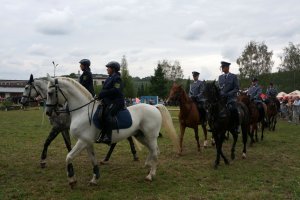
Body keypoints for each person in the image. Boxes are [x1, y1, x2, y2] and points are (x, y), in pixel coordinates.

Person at [97, 61, 125, 144]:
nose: (107, 69)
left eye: (108, 68)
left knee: (108, 114)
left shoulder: (117, 78)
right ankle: (102, 133)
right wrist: (100, 95)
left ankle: (108, 137)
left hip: (117, 101)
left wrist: (104, 93)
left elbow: (116, 90)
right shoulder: (109, 78)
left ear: (113, 69)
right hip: (108, 101)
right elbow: (105, 89)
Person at [218, 61, 240, 133]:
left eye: (223, 67)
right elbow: (219, 88)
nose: (222, 68)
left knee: (234, 109)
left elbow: (236, 88)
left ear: (227, 67)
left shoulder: (233, 76)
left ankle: (236, 126)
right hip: (222, 99)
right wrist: (220, 93)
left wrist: (228, 94)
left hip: (231, 98)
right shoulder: (220, 77)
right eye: (222, 67)